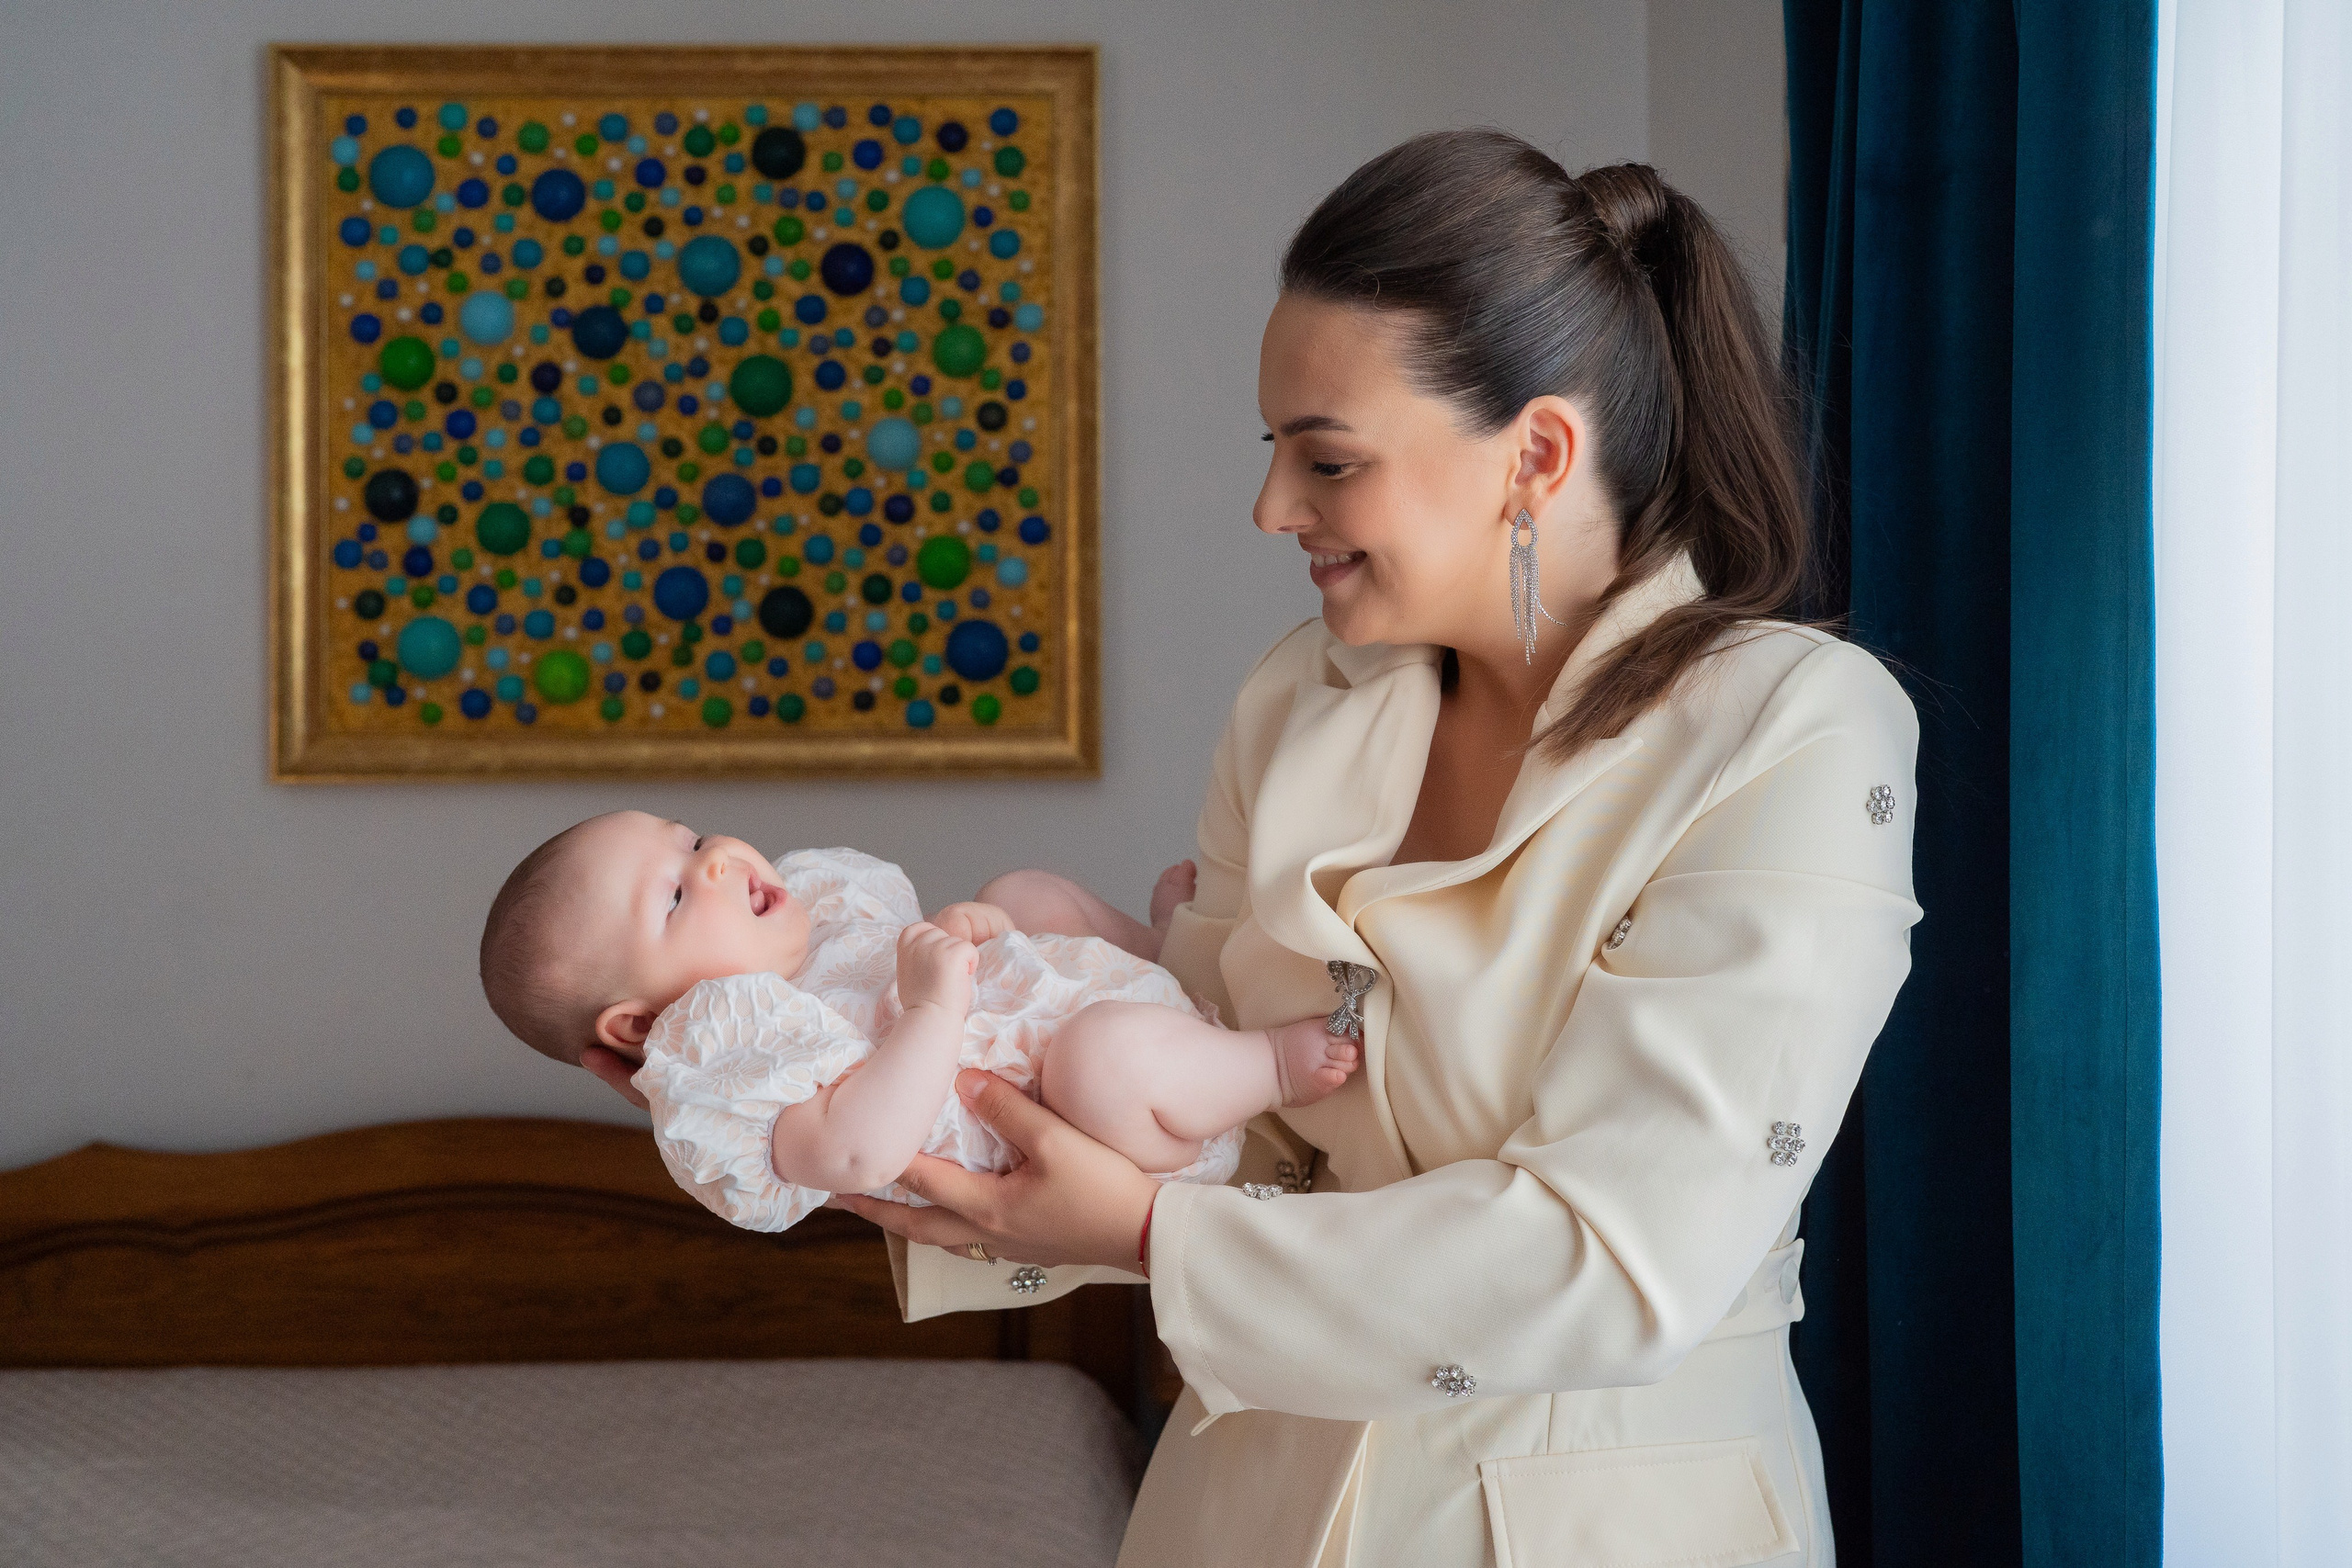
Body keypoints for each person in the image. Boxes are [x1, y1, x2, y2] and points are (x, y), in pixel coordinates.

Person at [586, 130, 1920, 1567]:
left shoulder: (1793, 732)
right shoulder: (1304, 699)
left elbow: (1616, 1259)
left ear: (1534, 454)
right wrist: (813, 1084)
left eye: (1325, 458)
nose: (1273, 508)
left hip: (1604, 1519)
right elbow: (1222, 1128)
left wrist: (1158, 1239)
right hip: (1247, 1507)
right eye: (1273, 450)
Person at [479, 813, 1363, 1235]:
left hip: (1077, 1015)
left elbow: (956, 953)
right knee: (1102, 1056)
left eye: (691, 839)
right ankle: (1272, 1068)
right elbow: (861, 1152)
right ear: (637, 1024)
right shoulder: (731, 1067)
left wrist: (976, 934)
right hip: (1096, 1134)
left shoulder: (817, 919)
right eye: (673, 895)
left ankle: (1163, 958)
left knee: (1020, 892)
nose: (712, 863)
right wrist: (936, 1008)